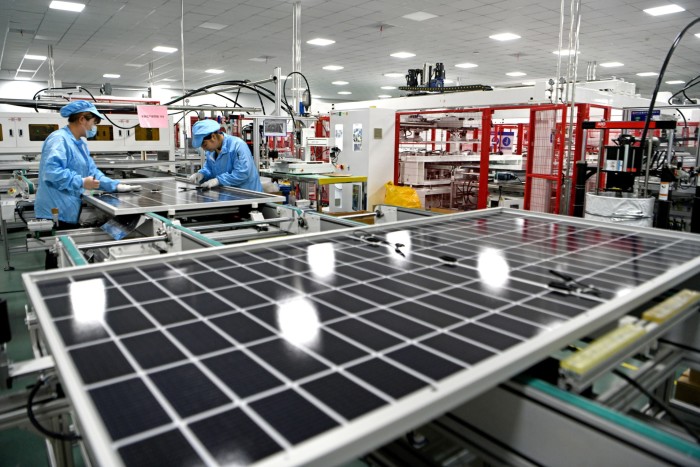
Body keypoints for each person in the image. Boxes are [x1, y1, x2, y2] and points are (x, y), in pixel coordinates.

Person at [35, 100, 141, 267]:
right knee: (57, 255)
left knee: (66, 255)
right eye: (94, 122)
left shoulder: (80, 144)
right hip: (55, 210)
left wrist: (115, 185)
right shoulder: (59, 139)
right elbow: (52, 172)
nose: (95, 127)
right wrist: (81, 181)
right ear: (82, 119)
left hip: (68, 208)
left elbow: (93, 172)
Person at [188, 119, 263, 191]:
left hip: (249, 197)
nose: (204, 149)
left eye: (204, 144)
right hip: (230, 196)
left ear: (213, 137)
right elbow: (209, 169)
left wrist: (217, 181)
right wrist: (201, 174)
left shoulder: (237, 146)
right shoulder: (211, 152)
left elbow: (242, 173)